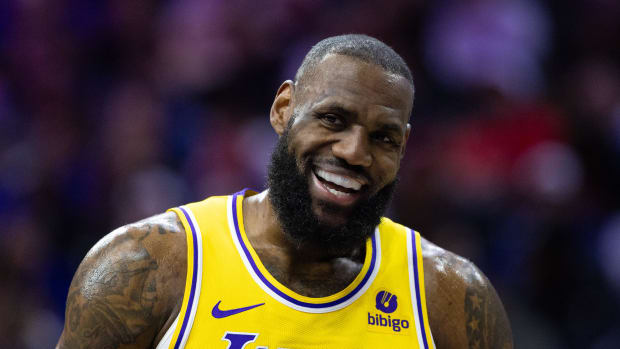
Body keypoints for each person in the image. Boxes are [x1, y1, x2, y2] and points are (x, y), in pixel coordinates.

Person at [56, 34, 513, 349]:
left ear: (404, 148)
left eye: (383, 137)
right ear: (283, 110)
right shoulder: (145, 267)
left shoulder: (451, 298)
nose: (355, 152)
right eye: (333, 119)